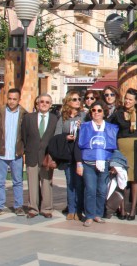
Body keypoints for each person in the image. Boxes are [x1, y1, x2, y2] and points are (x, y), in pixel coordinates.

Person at [75, 100, 119, 227]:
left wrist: (114, 164)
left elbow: (115, 147)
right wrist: (79, 163)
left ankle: (98, 214)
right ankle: (89, 215)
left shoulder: (111, 128)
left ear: (104, 112)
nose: (96, 113)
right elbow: (78, 146)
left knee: (101, 190)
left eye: (99, 110)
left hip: (105, 163)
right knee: (90, 189)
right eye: (93, 110)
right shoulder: (84, 127)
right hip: (88, 163)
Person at [0, 88, 27, 218]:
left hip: (17, 154)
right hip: (0, 154)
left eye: (14, 99)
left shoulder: (24, 115)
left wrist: (25, 152)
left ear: (19, 100)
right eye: (9, 98)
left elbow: (27, 136)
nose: (11, 101)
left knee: (18, 181)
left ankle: (18, 206)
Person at [22, 93, 58, 218]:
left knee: (47, 183)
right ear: (37, 104)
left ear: (51, 105)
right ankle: (33, 208)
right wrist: (26, 151)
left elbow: (55, 138)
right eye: (41, 101)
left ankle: (46, 208)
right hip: (32, 155)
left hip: (47, 157)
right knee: (32, 183)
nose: (44, 104)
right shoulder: (28, 118)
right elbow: (24, 136)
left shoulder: (55, 119)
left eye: (47, 102)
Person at [113, 88, 137, 220]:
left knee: (134, 179)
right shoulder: (118, 113)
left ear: (136, 101)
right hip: (121, 147)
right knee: (121, 179)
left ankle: (132, 210)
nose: (127, 101)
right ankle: (122, 209)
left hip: (135, 148)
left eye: (130, 99)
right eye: (126, 98)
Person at [55, 90, 86, 220]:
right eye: (74, 99)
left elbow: (91, 131)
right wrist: (65, 137)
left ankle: (79, 209)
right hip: (68, 153)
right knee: (70, 182)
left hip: (80, 153)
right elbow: (56, 135)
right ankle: (71, 209)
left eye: (79, 99)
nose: (77, 101)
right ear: (68, 101)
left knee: (79, 183)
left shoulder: (84, 115)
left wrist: (82, 127)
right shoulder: (63, 117)